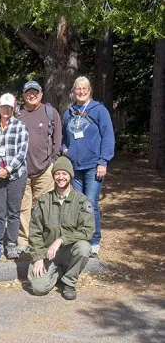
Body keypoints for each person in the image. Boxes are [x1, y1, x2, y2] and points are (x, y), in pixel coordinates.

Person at [61, 76, 115, 258]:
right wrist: (64, 149)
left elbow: (108, 137)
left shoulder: (99, 110)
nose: (81, 91)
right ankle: (79, 239)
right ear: (73, 91)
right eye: (78, 88)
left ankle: (94, 240)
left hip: (93, 165)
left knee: (90, 204)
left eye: (84, 88)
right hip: (74, 166)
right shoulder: (68, 112)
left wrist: (103, 161)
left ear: (89, 90)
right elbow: (63, 138)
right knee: (77, 204)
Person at [28, 157, 95, 300]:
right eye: (57, 174)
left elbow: (87, 231)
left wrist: (61, 240)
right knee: (38, 288)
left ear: (70, 175)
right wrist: (38, 258)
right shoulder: (44, 200)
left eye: (64, 174)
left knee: (84, 248)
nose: (61, 177)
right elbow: (35, 231)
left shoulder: (82, 201)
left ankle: (68, 282)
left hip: (70, 251)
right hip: (48, 253)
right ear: (53, 176)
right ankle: (58, 271)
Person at [17, 81, 62, 253]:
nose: (32, 95)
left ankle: (43, 238)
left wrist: (53, 161)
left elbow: (58, 138)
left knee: (45, 206)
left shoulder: (50, 113)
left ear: (41, 94)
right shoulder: (18, 114)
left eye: (35, 92)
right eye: (28, 92)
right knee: (23, 206)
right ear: (23, 96)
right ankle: (24, 240)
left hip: (45, 169)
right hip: (21, 170)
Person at [0, 93, 29, 259]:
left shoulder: (20, 127)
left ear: (14, 108)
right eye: (3, 107)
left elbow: (22, 152)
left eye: (9, 107)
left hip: (16, 175)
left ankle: (12, 244)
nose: (6, 110)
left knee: (14, 211)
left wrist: (8, 169)